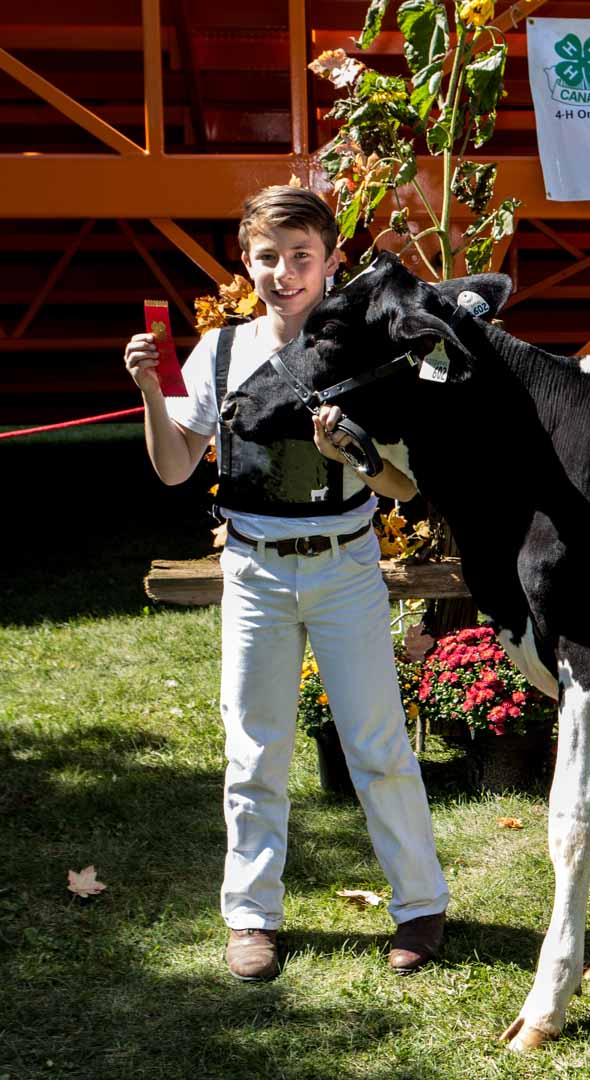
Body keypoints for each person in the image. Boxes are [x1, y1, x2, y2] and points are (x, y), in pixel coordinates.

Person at [122, 186, 450, 981]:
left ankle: (420, 905)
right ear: (247, 262)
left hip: (345, 566)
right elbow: (173, 467)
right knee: (254, 747)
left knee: (377, 741)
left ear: (332, 261)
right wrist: (150, 393)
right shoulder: (220, 353)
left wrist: (353, 455)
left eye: (302, 256)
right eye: (268, 257)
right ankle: (251, 916)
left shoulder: (364, 353)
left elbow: (404, 485)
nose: (285, 272)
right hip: (255, 570)